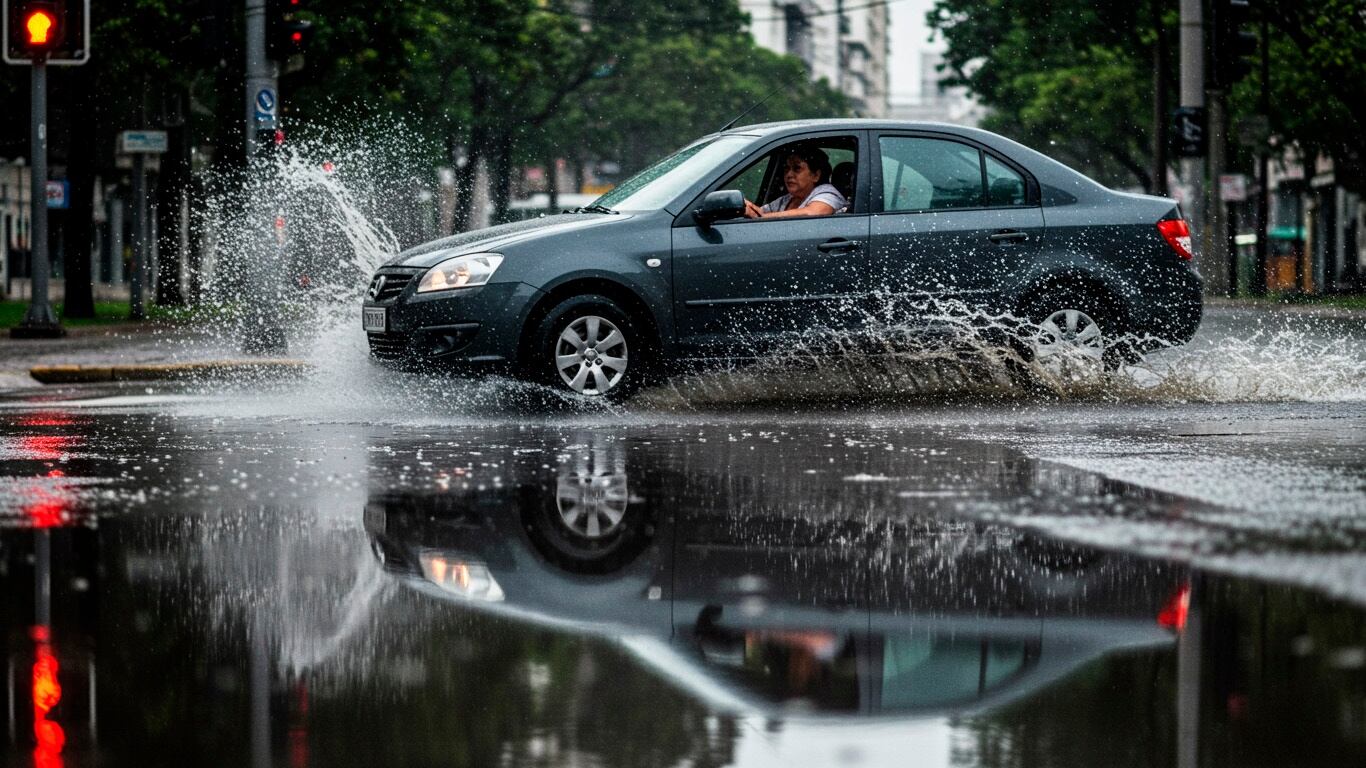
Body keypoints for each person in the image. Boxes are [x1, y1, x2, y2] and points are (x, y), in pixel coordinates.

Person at [744, 144, 847, 219]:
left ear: (815, 175)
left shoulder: (828, 193)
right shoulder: (787, 199)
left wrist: (762, 217)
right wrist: (746, 206)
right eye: (787, 168)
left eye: (797, 168)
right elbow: (760, 213)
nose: (789, 174)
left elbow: (813, 213)